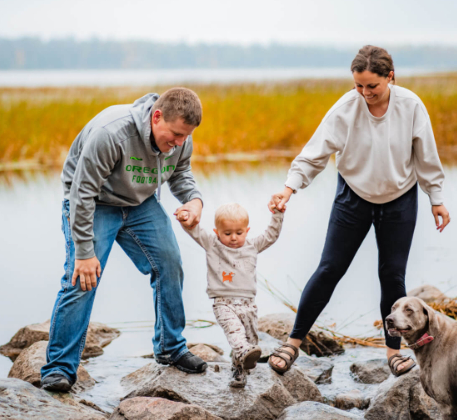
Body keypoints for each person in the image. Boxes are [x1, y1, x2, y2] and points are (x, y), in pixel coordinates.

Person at [266, 45, 451, 377]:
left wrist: (436, 198)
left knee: (392, 276)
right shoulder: (346, 109)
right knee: (329, 269)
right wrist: (288, 189)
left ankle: (393, 352)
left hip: (399, 199)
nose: (365, 93)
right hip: (353, 197)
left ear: (389, 77)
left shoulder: (410, 106)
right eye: (359, 86)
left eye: (372, 86)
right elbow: (314, 154)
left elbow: (426, 156)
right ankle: (292, 343)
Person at [40, 88, 209, 393]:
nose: (179, 143)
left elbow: (181, 174)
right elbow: (82, 193)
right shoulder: (111, 133)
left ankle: (171, 348)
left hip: (140, 204)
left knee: (170, 264)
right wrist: (84, 251)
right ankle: (59, 369)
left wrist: (194, 200)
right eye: (174, 135)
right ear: (156, 117)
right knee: (81, 278)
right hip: (94, 203)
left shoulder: (181, 138)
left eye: (185, 136)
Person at [179, 203, 283, 387]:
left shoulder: (252, 245)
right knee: (236, 333)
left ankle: (238, 372)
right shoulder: (212, 244)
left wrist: (277, 215)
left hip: (248, 304)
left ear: (247, 230)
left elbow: (271, 235)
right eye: (227, 233)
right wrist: (185, 219)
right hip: (223, 302)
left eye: (239, 232)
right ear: (217, 231)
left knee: (251, 340)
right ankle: (242, 351)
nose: (233, 238)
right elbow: (194, 230)